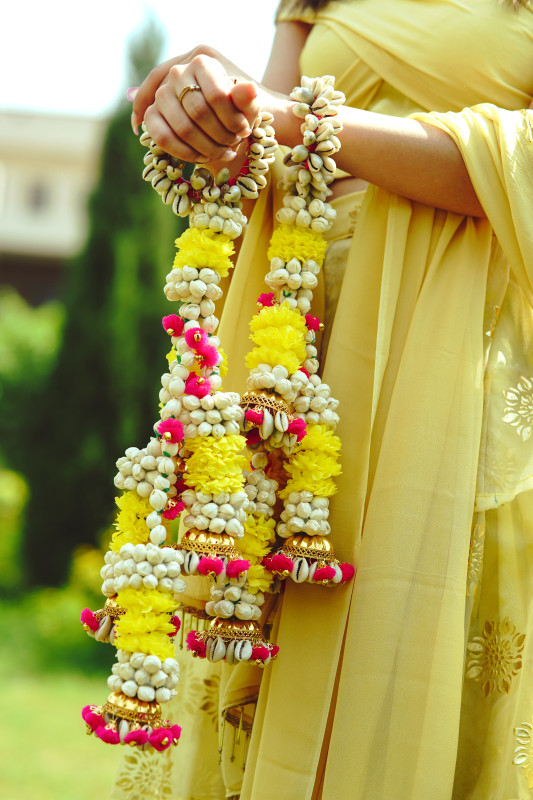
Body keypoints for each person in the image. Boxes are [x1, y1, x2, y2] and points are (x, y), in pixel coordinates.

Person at [112, 1, 533, 798]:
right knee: (285, 623)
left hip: (456, 367)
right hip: (303, 357)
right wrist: (211, 109)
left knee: (412, 662)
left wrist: (307, 124)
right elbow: (260, 144)